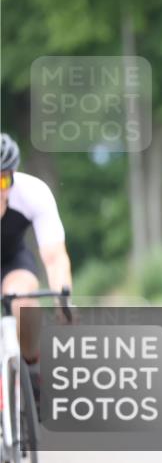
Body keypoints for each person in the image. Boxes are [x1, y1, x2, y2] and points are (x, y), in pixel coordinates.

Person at [0, 133, 73, 399]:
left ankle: (32, 369)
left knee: (23, 302)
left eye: (2, 180)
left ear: (13, 177)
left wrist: (63, 302)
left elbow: (54, 258)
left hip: (11, 262)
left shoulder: (33, 193)